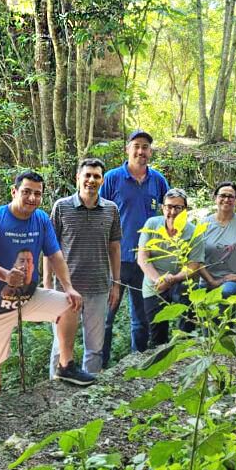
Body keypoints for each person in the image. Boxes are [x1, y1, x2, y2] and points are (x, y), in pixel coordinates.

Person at [0, 171, 89, 402]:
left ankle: (66, 365)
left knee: (69, 304)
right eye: (26, 192)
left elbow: (55, 255)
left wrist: (68, 286)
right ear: (14, 192)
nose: (32, 198)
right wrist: (4, 274)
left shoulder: (40, 219)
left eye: (37, 194)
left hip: (28, 298)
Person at [46, 158, 122, 376]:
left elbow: (115, 248)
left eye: (96, 176)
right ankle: (55, 387)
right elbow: (49, 247)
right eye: (87, 175)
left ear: (102, 180)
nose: (91, 180)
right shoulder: (61, 207)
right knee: (59, 345)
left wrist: (116, 284)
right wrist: (47, 282)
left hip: (99, 288)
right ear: (78, 178)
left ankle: (88, 390)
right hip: (65, 289)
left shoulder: (111, 210)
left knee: (95, 348)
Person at [99, 130, 169, 364]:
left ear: (150, 152)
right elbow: (98, 212)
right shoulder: (111, 178)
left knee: (141, 318)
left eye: (145, 147)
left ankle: (136, 363)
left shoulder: (158, 181)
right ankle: (100, 367)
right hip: (115, 259)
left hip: (146, 261)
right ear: (127, 149)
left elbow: (169, 215)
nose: (141, 151)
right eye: (136, 146)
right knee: (106, 317)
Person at [137, 188, 204, 348]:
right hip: (154, 284)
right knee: (157, 334)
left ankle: (184, 356)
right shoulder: (152, 224)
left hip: (182, 283)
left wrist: (173, 279)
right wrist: (158, 279)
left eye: (178, 207)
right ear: (162, 208)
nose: (172, 211)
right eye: (169, 206)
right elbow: (143, 258)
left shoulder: (194, 232)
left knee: (187, 330)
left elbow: (193, 265)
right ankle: (159, 363)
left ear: (185, 209)